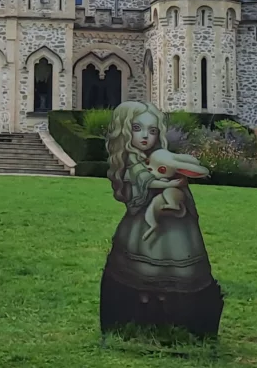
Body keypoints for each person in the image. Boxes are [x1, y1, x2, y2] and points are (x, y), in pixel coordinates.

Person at [99, 101, 223, 338]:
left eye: (152, 130)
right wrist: (168, 183)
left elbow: (174, 165)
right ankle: (143, 301)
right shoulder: (132, 159)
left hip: (171, 221)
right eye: (137, 128)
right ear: (126, 131)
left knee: (174, 253)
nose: (145, 136)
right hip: (142, 219)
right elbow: (143, 179)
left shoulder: (157, 155)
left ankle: (172, 305)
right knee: (142, 259)